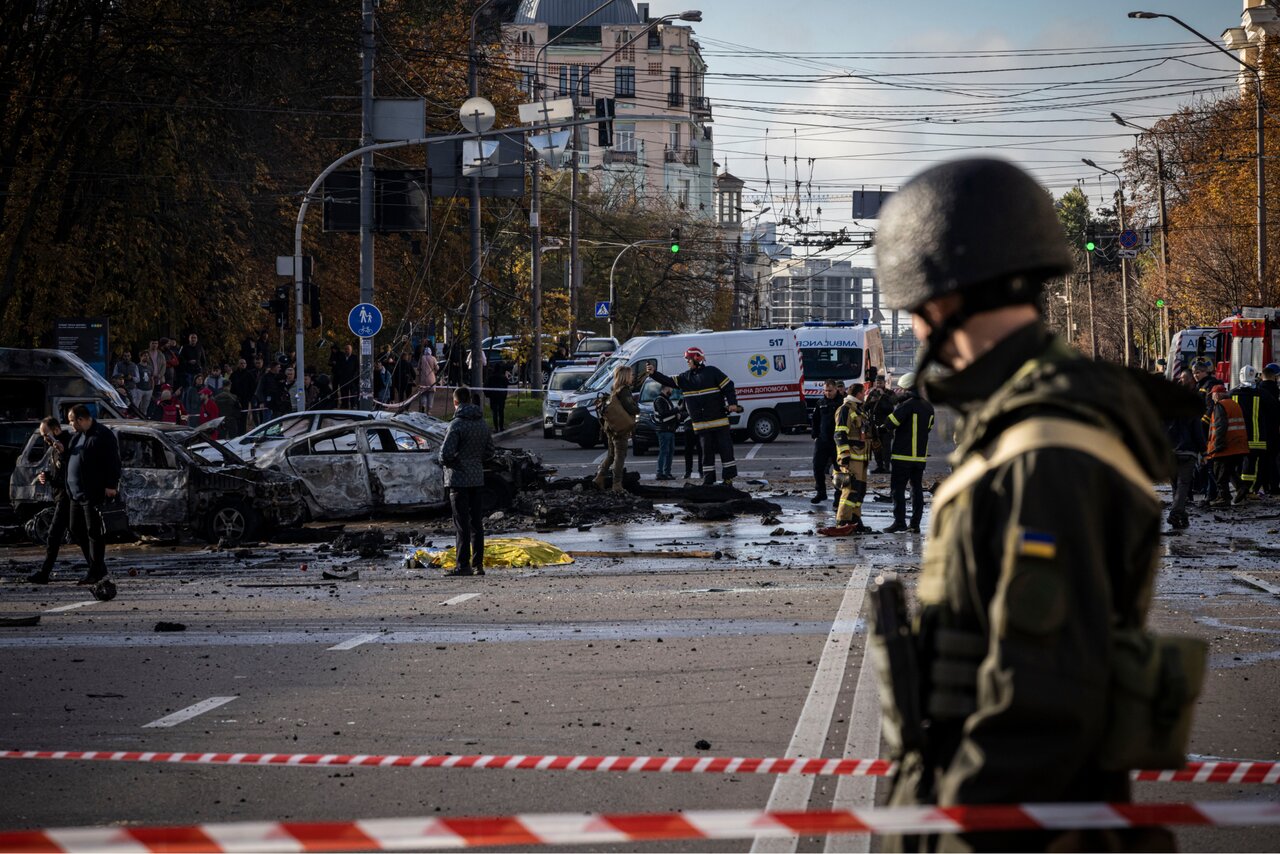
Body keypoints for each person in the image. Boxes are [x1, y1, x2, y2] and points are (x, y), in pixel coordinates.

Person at [871, 158, 1195, 851]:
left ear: (943, 299)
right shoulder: (1024, 424)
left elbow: (1035, 709)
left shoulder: (1046, 450)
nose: (919, 334)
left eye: (916, 313)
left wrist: (957, 837)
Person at [646, 348, 742, 486]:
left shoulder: (712, 372)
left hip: (719, 423)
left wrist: (733, 403)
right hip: (701, 426)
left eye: (688, 360)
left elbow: (729, 386)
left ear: (697, 359)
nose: (687, 363)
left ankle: (728, 479)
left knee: (726, 451)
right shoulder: (685, 378)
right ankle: (709, 480)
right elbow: (667, 380)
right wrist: (653, 373)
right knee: (706, 454)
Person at [439, 386, 495, 577]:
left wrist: (453, 462)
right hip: (477, 479)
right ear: (470, 400)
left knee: (461, 525)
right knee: (476, 524)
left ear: (456, 402)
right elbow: (490, 452)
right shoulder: (482, 423)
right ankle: (478, 565)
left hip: (458, 480)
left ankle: (463, 565)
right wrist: (475, 461)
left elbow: (445, 454)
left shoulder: (456, 425)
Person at [64, 404, 121, 586]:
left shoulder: (102, 435)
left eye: (72, 421)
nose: (71, 425)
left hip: (92, 491)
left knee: (93, 532)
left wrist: (111, 485)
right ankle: (98, 567)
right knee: (75, 528)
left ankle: (95, 572)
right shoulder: (77, 437)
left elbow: (113, 461)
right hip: (75, 493)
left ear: (81, 419)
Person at [818, 382, 873, 536]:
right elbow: (839, 434)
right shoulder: (845, 409)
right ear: (859, 394)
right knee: (850, 489)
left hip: (861, 458)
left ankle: (855, 520)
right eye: (864, 392)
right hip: (852, 458)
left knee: (859, 491)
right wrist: (844, 456)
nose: (865, 395)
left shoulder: (859, 410)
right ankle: (842, 521)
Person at [884, 372, 934, 533]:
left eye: (900, 389)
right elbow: (928, 428)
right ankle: (915, 524)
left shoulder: (906, 405)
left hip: (901, 456)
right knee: (916, 489)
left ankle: (899, 522)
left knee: (897, 490)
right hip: (919, 457)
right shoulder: (928, 406)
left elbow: (890, 424)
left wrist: (890, 405)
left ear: (906, 389)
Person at [25, 415, 74, 584]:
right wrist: (45, 475)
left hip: (68, 497)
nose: (45, 438)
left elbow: (71, 472)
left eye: (46, 434)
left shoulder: (68, 444)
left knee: (53, 536)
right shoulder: (54, 448)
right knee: (81, 534)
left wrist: (63, 452)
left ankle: (44, 573)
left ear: (56, 430)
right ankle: (97, 570)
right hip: (61, 496)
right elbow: (56, 474)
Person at [1166, 368, 1206, 529]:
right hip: (1187, 452)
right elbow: (1198, 432)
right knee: (1183, 484)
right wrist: (1204, 451)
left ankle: (1180, 515)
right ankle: (1176, 512)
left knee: (1175, 485)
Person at [593, 365, 640, 492]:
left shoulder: (614, 389)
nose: (632, 377)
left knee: (611, 454)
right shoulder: (624, 390)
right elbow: (631, 408)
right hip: (620, 429)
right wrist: (637, 407)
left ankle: (599, 478)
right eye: (630, 375)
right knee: (620, 455)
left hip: (611, 426)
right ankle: (617, 484)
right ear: (625, 377)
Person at [1207, 383, 1249, 506]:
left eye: (1213, 395)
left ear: (1218, 394)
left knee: (1219, 472)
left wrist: (1217, 445)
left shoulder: (1220, 405)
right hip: (1238, 445)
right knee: (1229, 470)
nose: (1212, 398)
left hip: (1226, 446)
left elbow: (1220, 426)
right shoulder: (1235, 404)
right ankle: (1241, 488)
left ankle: (1224, 497)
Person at [810, 379, 841, 505]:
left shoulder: (842, 402)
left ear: (836, 389)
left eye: (830, 391)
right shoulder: (820, 402)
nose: (827, 393)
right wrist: (815, 435)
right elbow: (815, 420)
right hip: (823, 440)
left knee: (839, 470)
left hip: (837, 441)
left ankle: (838, 496)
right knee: (817, 467)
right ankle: (821, 492)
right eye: (825, 391)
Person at [866, 376, 895, 474]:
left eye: (880, 383)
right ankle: (879, 466)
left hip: (886, 424)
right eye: (877, 383)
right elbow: (865, 408)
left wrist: (883, 396)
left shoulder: (889, 393)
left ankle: (886, 467)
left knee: (886, 447)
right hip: (874, 425)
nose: (878, 385)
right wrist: (871, 401)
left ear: (884, 383)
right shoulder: (872, 393)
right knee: (876, 447)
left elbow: (891, 407)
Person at [652, 384, 680, 480]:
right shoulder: (660, 400)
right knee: (664, 451)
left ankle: (667, 473)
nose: (671, 391)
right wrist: (677, 410)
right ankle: (660, 473)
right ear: (666, 388)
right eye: (671, 388)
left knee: (670, 451)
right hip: (664, 429)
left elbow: (670, 414)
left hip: (669, 429)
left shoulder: (666, 399)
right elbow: (663, 413)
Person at [678, 397, 703, 480]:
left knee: (701, 451)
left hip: (699, 427)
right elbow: (681, 413)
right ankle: (688, 472)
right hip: (689, 428)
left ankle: (701, 471)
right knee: (688, 451)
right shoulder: (685, 398)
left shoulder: (699, 396)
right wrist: (689, 414)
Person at [485, 359, 511, 432]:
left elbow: (486, 386)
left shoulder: (491, 377)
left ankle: (496, 428)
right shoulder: (503, 377)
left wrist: (488, 395)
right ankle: (501, 427)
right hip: (501, 396)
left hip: (493, 396)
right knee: (501, 411)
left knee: (494, 412)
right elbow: (506, 386)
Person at [333, 343, 358, 409]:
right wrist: (340, 374)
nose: (347, 350)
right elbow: (338, 367)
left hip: (352, 378)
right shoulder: (341, 357)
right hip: (343, 379)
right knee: (344, 393)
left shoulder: (354, 357)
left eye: (348, 349)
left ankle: (353, 406)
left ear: (351, 350)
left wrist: (355, 376)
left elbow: (357, 367)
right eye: (346, 349)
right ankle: (344, 405)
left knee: (353, 393)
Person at [417, 343, 439, 414]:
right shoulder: (433, 358)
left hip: (423, 379)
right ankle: (429, 410)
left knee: (423, 393)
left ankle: (423, 405)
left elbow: (418, 368)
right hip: (431, 379)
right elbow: (437, 368)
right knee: (431, 395)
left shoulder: (421, 358)